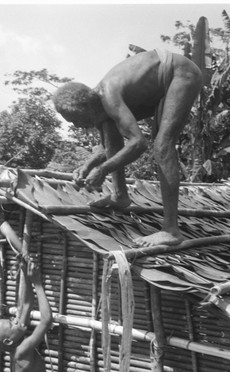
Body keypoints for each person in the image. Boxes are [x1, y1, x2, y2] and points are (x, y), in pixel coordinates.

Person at [52, 49, 202, 247]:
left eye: (75, 120)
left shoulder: (109, 97)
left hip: (180, 74)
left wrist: (103, 169)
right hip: (158, 88)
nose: (76, 126)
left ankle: (171, 231)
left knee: (162, 145)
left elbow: (138, 143)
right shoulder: (99, 110)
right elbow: (106, 148)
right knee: (112, 135)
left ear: (87, 107)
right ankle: (120, 195)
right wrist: (87, 166)